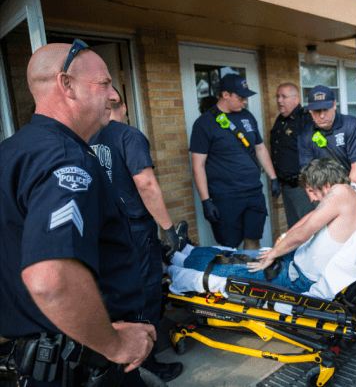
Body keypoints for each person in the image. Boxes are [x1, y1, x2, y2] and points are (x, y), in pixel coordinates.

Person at [0, 40, 156, 387]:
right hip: (81, 368)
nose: (114, 96)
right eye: (104, 84)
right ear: (66, 85)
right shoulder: (66, 159)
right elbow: (51, 280)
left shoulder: (11, 153)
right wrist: (114, 345)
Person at [88, 87, 183, 382]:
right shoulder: (129, 136)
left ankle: (118, 358)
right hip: (135, 230)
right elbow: (146, 185)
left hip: (105, 231)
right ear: (124, 106)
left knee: (116, 294)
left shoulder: (87, 136)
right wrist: (168, 229)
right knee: (145, 294)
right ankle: (146, 365)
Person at [177, 158, 356, 293]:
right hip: (294, 261)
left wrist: (273, 254)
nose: (311, 198)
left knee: (229, 268)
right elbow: (310, 218)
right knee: (236, 256)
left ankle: (176, 261)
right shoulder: (349, 191)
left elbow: (304, 233)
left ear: (326, 185)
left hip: (296, 277)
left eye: (311, 191)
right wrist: (284, 240)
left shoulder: (340, 193)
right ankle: (185, 249)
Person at [190, 74, 280, 250]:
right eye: (240, 97)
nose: (244, 102)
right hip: (225, 196)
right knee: (230, 247)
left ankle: (250, 275)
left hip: (254, 192)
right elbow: (198, 165)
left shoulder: (247, 116)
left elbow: (260, 148)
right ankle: (234, 277)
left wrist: (273, 178)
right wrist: (206, 201)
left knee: (253, 239)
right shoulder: (204, 123)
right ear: (225, 94)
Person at [298, 85, 356, 206]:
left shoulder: (352, 125)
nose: (322, 115)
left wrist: (346, 196)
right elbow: (308, 174)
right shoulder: (306, 135)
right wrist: (316, 202)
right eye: (317, 111)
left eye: (326, 109)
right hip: (327, 196)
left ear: (334, 105)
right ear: (310, 110)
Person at [270, 83, 314, 229]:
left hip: (303, 187)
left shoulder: (305, 119)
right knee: (294, 228)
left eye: (284, 96)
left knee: (308, 229)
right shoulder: (280, 120)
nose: (279, 100)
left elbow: (316, 152)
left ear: (296, 99)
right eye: (277, 96)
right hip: (286, 187)